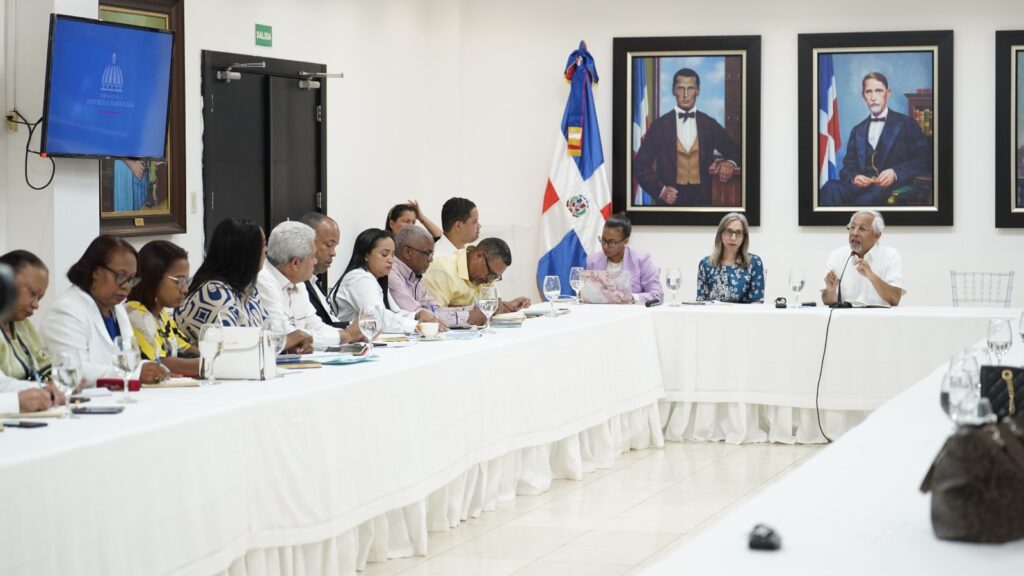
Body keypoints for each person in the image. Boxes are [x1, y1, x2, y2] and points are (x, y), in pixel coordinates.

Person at [43, 235, 170, 386]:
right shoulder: (66, 309)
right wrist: (137, 373)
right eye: (121, 276)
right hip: (80, 398)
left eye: (131, 279)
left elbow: (128, 361)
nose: (126, 286)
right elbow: (73, 370)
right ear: (95, 271)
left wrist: (151, 368)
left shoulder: (118, 310)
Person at [176, 218, 311, 352]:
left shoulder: (247, 289)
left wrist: (290, 345)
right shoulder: (213, 292)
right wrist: (286, 341)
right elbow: (233, 349)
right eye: (263, 245)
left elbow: (266, 334)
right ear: (246, 252)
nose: (266, 251)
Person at [819, 72, 932, 206]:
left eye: (878, 91)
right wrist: (854, 177)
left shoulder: (907, 124)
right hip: (861, 188)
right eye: (869, 92)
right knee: (830, 188)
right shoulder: (857, 130)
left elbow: (926, 159)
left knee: (863, 203)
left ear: (888, 93)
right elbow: (848, 166)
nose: (873, 97)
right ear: (863, 96)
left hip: (892, 189)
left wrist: (895, 173)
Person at [633, 68, 741, 206]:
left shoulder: (709, 124)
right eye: (680, 88)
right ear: (674, 91)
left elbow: (736, 150)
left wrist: (729, 162)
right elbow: (640, 165)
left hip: (703, 200)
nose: (685, 95)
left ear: (698, 91)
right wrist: (661, 190)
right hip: (670, 203)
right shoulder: (660, 126)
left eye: (690, 88)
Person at [257, 221, 364, 349]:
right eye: (312, 256)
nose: (315, 261)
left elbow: (315, 325)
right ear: (295, 263)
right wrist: (345, 335)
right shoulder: (262, 281)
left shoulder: (298, 282)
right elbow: (284, 335)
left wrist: (346, 337)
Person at [331, 229, 437, 333]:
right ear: (366, 255)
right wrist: (417, 326)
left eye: (392, 254)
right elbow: (377, 319)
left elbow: (393, 312)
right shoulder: (359, 278)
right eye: (384, 254)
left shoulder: (377, 279)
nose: (391, 260)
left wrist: (416, 315)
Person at [0, 251, 65, 412]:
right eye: (32, 294)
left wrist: (56, 384)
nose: (36, 305)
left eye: (39, 298)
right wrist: (43, 388)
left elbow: (45, 367)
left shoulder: (22, 325)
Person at [125, 241, 199, 376]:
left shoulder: (162, 315)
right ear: (154, 278)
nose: (185, 289)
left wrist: (214, 356)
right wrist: (209, 363)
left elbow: (187, 348)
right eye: (179, 281)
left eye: (187, 281)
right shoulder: (135, 313)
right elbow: (157, 363)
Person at [423, 237, 531, 316]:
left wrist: (509, 305)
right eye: (491, 274)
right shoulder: (443, 270)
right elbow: (434, 314)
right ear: (478, 255)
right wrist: (471, 312)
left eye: (495, 277)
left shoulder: (487, 276)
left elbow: (492, 307)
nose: (490, 281)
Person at [389, 225, 473, 327]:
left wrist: (468, 310)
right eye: (427, 253)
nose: (431, 259)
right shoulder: (391, 274)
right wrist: (466, 317)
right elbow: (419, 315)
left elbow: (433, 309)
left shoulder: (414, 275)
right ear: (407, 252)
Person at [821, 210, 905, 307]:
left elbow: (894, 299)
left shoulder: (891, 256)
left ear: (877, 235)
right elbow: (826, 301)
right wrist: (831, 290)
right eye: (852, 227)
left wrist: (871, 275)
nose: (855, 233)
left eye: (862, 229)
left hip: (879, 316)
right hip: (845, 316)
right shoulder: (837, 256)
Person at [586, 214, 663, 304]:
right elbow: (587, 292)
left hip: (631, 311)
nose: (605, 246)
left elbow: (658, 295)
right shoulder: (593, 260)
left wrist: (632, 298)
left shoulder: (642, 260)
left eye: (611, 242)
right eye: (603, 240)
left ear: (626, 241)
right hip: (600, 310)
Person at [696, 213, 765, 303]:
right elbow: (701, 302)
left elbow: (757, 302)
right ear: (720, 234)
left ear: (744, 237)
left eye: (738, 233)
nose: (733, 238)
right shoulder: (706, 264)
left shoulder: (754, 263)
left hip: (744, 312)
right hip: (713, 312)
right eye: (728, 231)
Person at [296, 212, 347, 328]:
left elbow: (325, 324)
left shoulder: (314, 281)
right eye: (329, 245)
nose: (333, 253)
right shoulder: (297, 282)